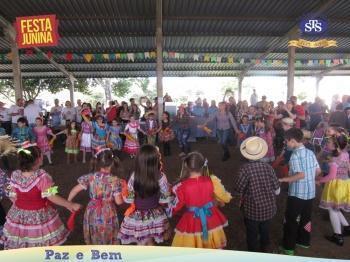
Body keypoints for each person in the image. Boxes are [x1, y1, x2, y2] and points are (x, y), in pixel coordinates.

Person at [3, 144, 81, 249]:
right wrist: (70, 204)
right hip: (39, 215)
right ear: (38, 159)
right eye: (41, 155)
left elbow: (9, 190)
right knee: (40, 241)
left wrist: (16, 202)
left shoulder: (15, 174)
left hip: (18, 213)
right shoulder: (42, 177)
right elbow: (51, 196)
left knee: (22, 241)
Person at [168, 152, 231, 248]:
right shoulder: (212, 180)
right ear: (203, 166)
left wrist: (168, 208)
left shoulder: (182, 186)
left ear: (186, 166)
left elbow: (176, 206)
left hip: (191, 221)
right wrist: (219, 200)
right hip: (211, 218)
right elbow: (224, 197)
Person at [68, 148, 125, 244]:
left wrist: (68, 203)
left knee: (94, 230)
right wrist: (125, 197)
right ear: (112, 163)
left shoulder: (91, 177)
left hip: (92, 210)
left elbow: (74, 190)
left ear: (98, 163)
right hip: (107, 211)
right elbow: (119, 201)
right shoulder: (115, 180)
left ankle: (96, 250)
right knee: (108, 232)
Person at [279, 128, 321, 255]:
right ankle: (304, 241)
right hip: (310, 193)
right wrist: (310, 178)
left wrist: (284, 179)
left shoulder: (295, 155)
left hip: (297, 194)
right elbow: (318, 171)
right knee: (306, 218)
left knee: (291, 220)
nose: (286, 144)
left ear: (292, 141)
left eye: (287, 142)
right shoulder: (310, 152)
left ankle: (288, 247)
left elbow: (300, 175)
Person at [118, 145, 171, 245]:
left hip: (138, 215)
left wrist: (125, 196)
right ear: (156, 160)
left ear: (139, 160)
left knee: (141, 240)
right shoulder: (161, 176)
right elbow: (165, 199)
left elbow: (129, 199)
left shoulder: (134, 176)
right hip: (155, 214)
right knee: (150, 241)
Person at [235, 137, 280, 252]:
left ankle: (253, 252)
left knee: (252, 233)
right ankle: (265, 247)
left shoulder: (244, 169)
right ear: (261, 153)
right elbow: (277, 190)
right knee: (265, 229)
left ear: (246, 154)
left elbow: (239, 190)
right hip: (269, 208)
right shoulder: (268, 167)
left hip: (252, 210)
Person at [316, 134, 350, 246]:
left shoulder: (334, 158)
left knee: (332, 209)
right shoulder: (345, 154)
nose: (327, 144)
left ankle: (338, 236)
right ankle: (346, 227)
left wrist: (320, 180)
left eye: (329, 142)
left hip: (336, 185)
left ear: (336, 145)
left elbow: (331, 176)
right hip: (345, 183)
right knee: (336, 207)